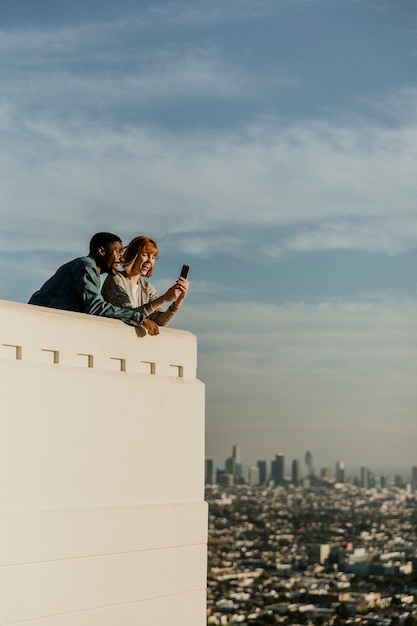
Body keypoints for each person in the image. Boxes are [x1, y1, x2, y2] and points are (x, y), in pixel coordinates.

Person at [28, 232, 159, 335]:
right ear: (101, 251)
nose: (122, 258)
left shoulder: (86, 267)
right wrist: (139, 318)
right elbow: (95, 307)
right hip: (40, 326)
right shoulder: (86, 267)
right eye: (118, 252)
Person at [101, 235, 188, 326]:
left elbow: (160, 321)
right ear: (133, 255)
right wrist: (164, 298)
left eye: (153, 257)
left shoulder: (147, 287)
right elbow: (127, 315)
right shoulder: (115, 279)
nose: (150, 261)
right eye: (145, 255)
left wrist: (179, 299)